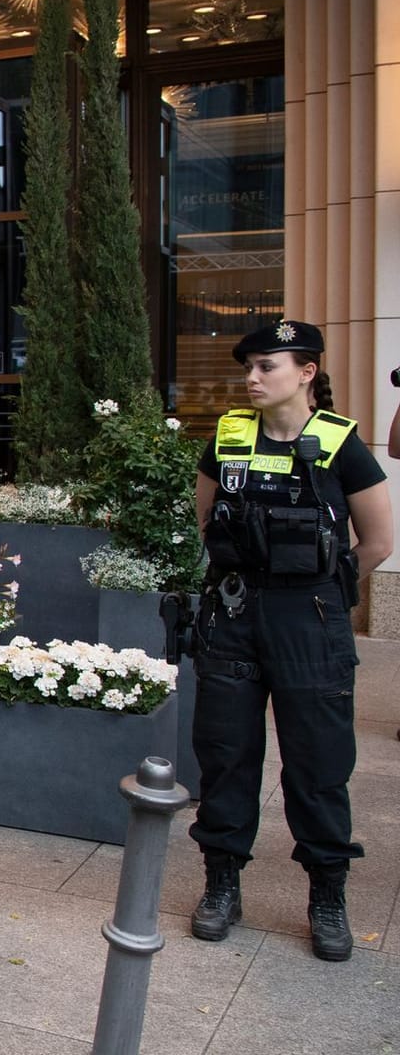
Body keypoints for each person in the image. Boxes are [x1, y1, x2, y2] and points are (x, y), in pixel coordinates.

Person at [187, 320, 392, 963]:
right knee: (225, 751)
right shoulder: (226, 439)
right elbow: (205, 520)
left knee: (319, 761)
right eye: (248, 366)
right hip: (236, 610)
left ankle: (327, 895)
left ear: (306, 373)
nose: (252, 377)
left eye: (266, 365)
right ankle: (222, 884)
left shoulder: (341, 444)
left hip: (311, 618)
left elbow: (379, 541)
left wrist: (323, 589)